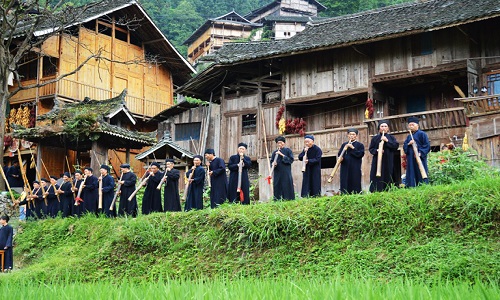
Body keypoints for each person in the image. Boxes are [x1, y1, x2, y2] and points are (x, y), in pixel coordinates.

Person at [369, 120, 400, 192]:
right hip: (377, 161)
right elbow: (371, 149)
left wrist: (387, 141)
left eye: (385, 126)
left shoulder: (391, 138)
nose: (383, 128)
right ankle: (376, 190)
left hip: (388, 160)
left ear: (388, 128)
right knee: (376, 176)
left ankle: (389, 189)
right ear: (379, 128)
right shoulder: (375, 138)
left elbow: (395, 146)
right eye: (382, 126)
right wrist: (377, 151)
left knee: (388, 174)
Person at [403, 117, 430, 187]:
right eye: (410, 125)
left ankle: (423, 186)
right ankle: (411, 187)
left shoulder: (422, 134)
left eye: (413, 124)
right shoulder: (409, 137)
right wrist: (409, 144)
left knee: (421, 171)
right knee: (411, 172)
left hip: (420, 157)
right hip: (411, 158)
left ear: (417, 125)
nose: (411, 126)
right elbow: (404, 147)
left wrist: (420, 153)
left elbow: (427, 145)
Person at [339, 128, 365, 194]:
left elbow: (360, 154)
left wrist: (353, 148)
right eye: (350, 134)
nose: (351, 136)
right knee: (345, 180)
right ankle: (344, 194)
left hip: (355, 166)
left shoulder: (360, 145)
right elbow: (340, 154)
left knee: (355, 180)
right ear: (348, 135)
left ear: (356, 136)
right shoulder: (344, 145)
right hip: (345, 166)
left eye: (353, 134)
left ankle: (356, 194)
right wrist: (341, 158)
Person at [270, 136, 295, 200]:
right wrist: (273, 164)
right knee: (277, 185)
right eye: (278, 143)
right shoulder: (274, 152)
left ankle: (289, 199)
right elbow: (272, 161)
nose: (279, 144)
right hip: (277, 172)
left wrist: (282, 155)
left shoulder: (288, 150)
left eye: (281, 142)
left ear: (284, 143)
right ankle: (277, 200)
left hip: (286, 172)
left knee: (287, 185)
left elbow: (291, 160)